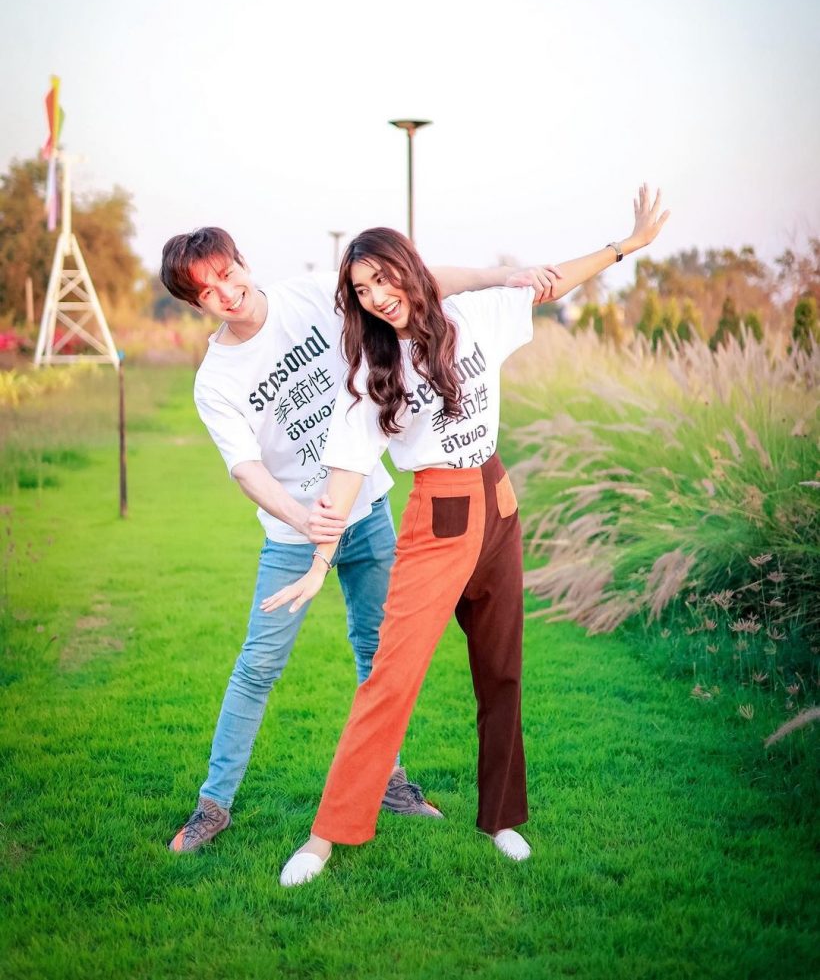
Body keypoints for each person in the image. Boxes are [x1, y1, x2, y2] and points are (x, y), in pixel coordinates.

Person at [265, 185, 670, 885]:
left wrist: (625, 246)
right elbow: (346, 471)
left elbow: (549, 281)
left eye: (384, 278)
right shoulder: (371, 371)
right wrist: (317, 559)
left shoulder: (473, 315)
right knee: (390, 678)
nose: (377, 296)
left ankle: (503, 818)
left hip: (497, 499)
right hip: (439, 513)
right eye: (362, 290)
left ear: (409, 269)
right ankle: (325, 837)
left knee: (501, 668)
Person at [158, 227, 557, 851]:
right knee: (259, 665)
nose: (226, 293)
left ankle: (390, 783)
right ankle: (214, 804)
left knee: (380, 656)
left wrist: (500, 277)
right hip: (295, 535)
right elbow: (246, 469)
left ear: (242, 262)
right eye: (207, 291)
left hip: (367, 513)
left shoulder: (314, 295)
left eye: (227, 274)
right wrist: (303, 521)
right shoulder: (216, 381)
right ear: (195, 303)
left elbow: (421, 283)